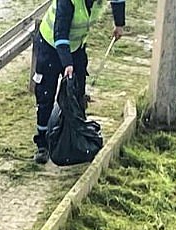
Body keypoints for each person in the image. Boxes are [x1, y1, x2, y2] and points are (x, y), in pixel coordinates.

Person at [33, 0, 126, 164]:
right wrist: (67, 63)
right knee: (46, 94)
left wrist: (119, 24)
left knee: (77, 93)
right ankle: (43, 144)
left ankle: (76, 135)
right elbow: (60, 33)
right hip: (51, 44)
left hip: (76, 46)